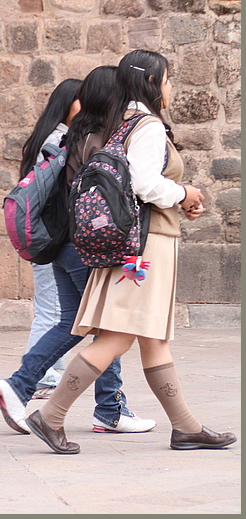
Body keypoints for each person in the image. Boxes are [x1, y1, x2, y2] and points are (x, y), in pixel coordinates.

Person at [25, 50, 237, 454]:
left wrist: (178, 200)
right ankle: (50, 415)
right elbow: (143, 182)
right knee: (118, 337)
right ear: (153, 82)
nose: (172, 88)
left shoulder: (122, 123)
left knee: (153, 337)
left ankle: (186, 427)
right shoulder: (149, 125)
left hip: (141, 242)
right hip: (147, 245)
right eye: (169, 79)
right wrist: (184, 192)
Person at [0, 67, 156, 435]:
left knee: (72, 322)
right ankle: (110, 410)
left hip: (64, 245)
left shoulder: (72, 138)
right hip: (86, 248)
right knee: (106, 326)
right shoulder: (99, 141)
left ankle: (18, 386)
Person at [17, 78, 82, 397]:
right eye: (80, 102)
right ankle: (38, 373)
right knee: (51, 310)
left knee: (53, 308)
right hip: (52, 236)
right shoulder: (59, 141)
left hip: (43, 235)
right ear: (66, 104)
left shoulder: (45, 138)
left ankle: (49, 368)